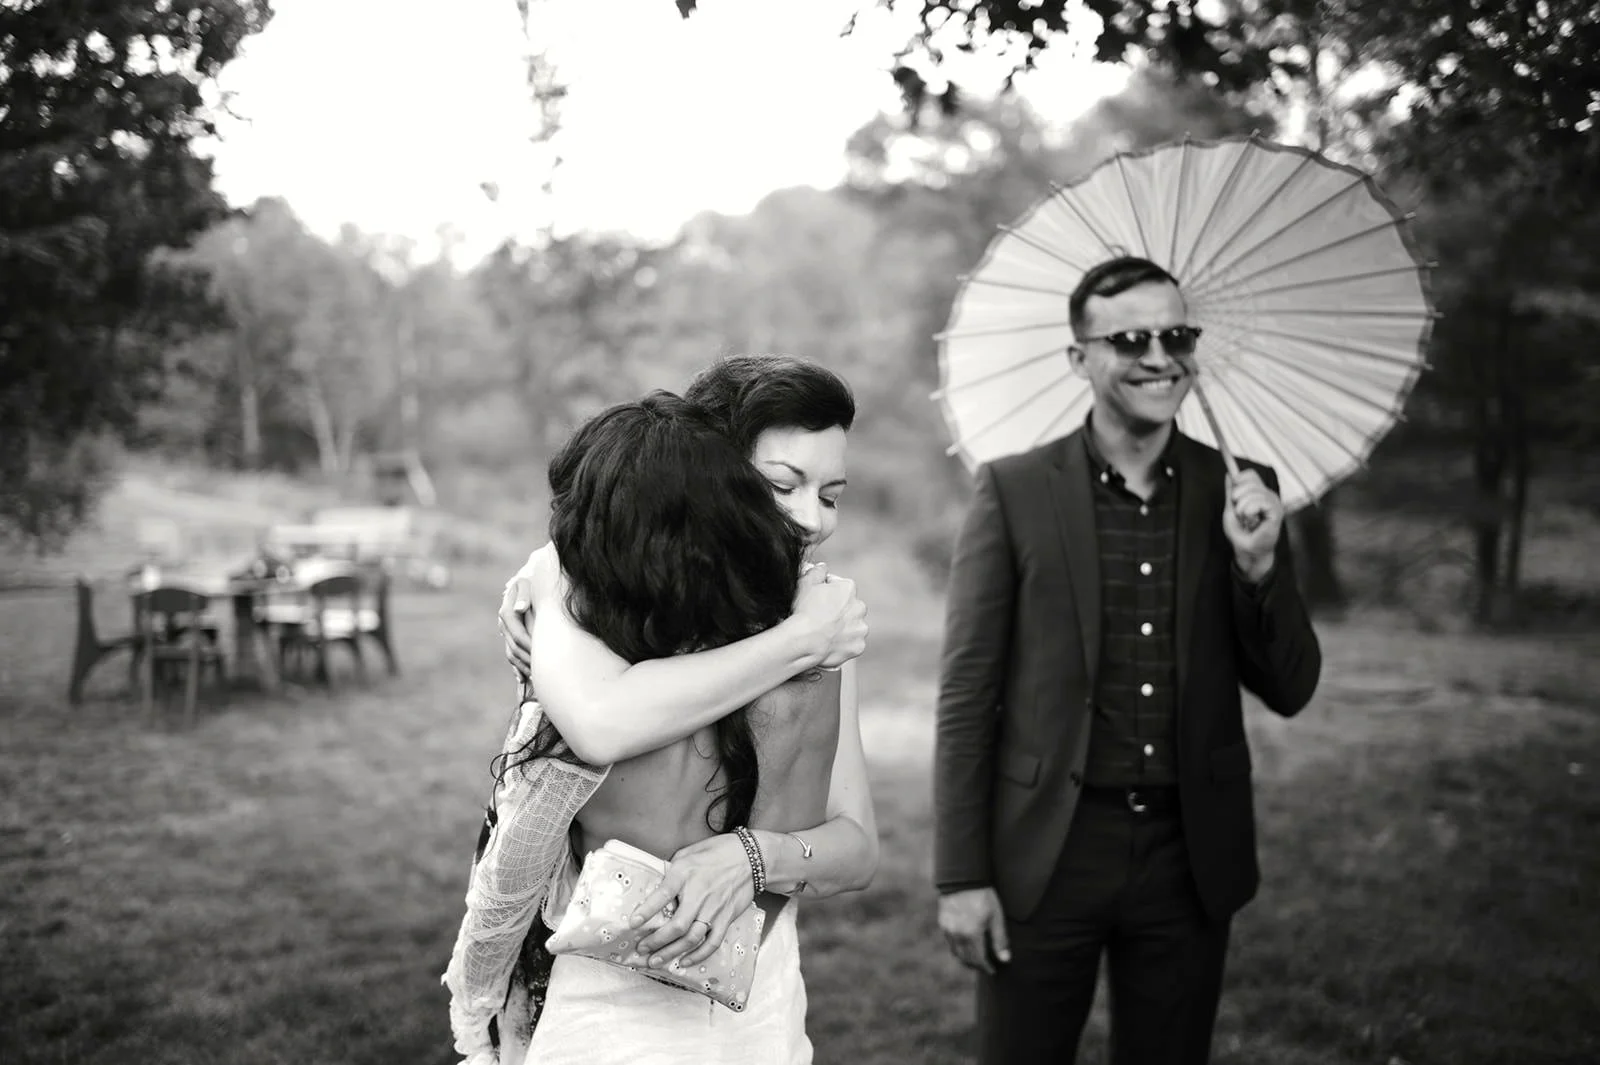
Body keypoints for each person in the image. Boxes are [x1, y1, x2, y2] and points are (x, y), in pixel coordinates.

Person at [933, 256, 1323, 1065]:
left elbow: (1289, 686)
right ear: (1081, 358)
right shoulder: (1012, 491)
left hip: (1191, 856)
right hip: (1046, 853)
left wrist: (1258, 570)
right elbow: (968, 695)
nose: (1158, 356)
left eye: (1176, 335)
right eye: (1131, 338)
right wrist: (961, 877)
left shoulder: (1242, 491)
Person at [453, 357, 875, 1064]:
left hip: (765, 1007)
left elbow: (857, 847)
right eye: (781, 485)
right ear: (705, 476)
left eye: (831, 495)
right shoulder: (587, 607)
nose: (810, 519)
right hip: (610, 1016)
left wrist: (755, 858)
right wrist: (548, 573)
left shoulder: (831, 621)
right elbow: (601, 723)